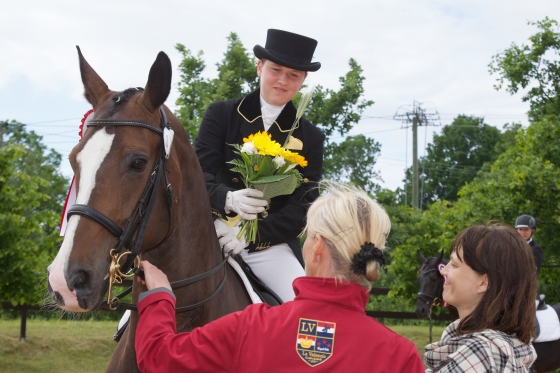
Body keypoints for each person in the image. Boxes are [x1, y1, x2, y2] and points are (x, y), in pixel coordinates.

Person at [135, 183, 425, 372]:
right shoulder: (401, 357)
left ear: (318, 249)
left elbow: (158, 357)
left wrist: (160, 297)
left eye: (307, 236)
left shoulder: (251, 327)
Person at [194, 29, 325, 302]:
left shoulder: (310, 137)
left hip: (268, 246)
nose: (282, 80)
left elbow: (303, 207)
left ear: (303, 80)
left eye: (294, 75)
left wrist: (250, 236)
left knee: (305, 309)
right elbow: (198, 176)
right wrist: (227, 198)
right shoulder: (221, 114)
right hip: (210, 229)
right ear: (259, 67)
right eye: (275, 69)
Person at [424, 223, 538, 372]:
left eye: (455, 264)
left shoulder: (479, 353)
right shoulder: (508, 346)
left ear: (483, 283)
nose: (444, 271)